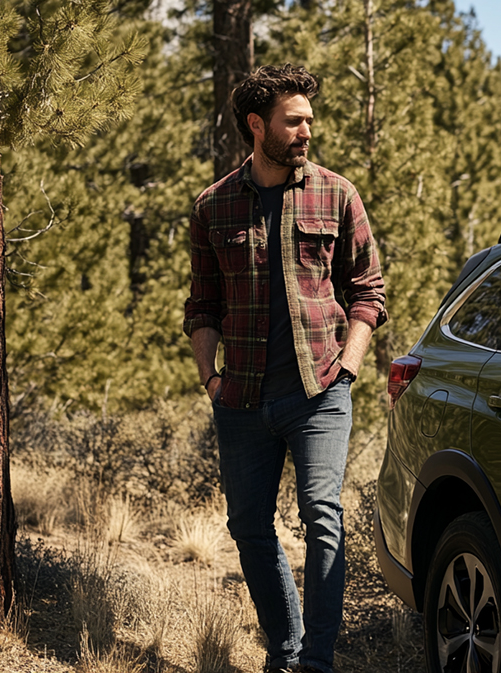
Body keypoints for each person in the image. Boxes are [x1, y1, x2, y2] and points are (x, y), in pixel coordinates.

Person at [182, 63, 387, 673]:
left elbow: (368, 291)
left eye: (309, 121)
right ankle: (287, 650)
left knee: (322, 517)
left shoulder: (338, 193)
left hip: (319, 389)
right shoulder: (214, 206)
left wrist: (347, 366)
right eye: (293, 121)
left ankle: (318, 661)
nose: (305, 131)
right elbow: (201, 304)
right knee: (248, 526)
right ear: (256, 125)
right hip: (241, 397)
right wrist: (210, 378)